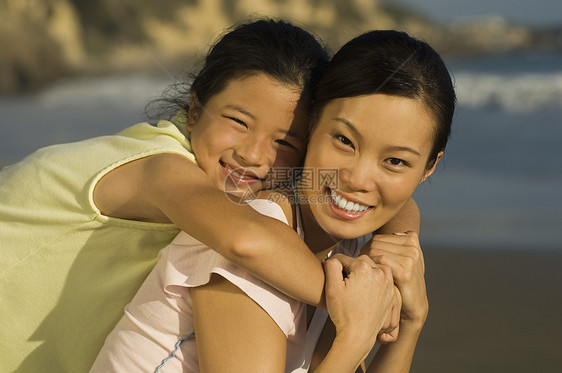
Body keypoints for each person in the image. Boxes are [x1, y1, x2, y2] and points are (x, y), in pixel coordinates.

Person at [0, 19, 414, 372]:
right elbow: (247, 240)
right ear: (195, 108)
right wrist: (360, 299)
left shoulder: (236, 185)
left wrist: (398, 250)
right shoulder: (160, 168)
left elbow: (398, 202)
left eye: (285, 141)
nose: (253, 154)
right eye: (237, 121)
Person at [92, 29, 455, 372]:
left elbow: (404, 208)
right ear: (312, 126)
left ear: (428, 169)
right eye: (344, 141)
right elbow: (249, 242)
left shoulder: (340, 246)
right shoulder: (253, 249)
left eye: (395, 162)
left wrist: (408, 324)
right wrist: (357, 335)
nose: (357, 180)